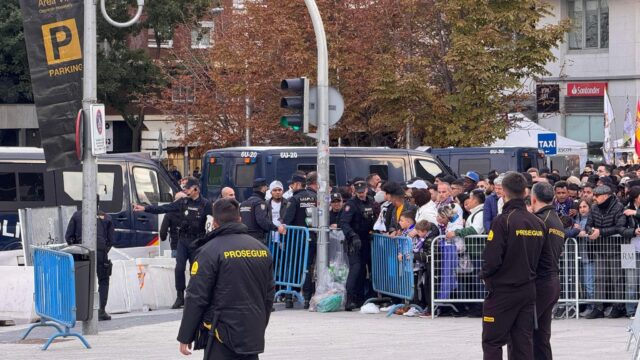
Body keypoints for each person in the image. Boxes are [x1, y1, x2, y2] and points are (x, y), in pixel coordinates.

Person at [177, 199, 274, 360]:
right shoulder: (262, 250)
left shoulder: (209, 251)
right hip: (251, 333)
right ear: (240, 219)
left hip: (220, 334)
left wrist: (186, 335)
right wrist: (258, 326)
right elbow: (269, 295)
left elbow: (196, 296)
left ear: (214, 223)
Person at [479, 172, 547, 360]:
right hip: (528, 289)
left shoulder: (503, 220)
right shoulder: (537, 222)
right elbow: (543, 258)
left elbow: (492, 258)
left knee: (492, 341)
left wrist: (485, 276)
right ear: (526, 192)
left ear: (503, 194)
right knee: (522, 342)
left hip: (503, 291)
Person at [134, 177, 212, 309]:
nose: (186, 191)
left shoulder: (206, 204)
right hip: (183, 240)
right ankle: (180, 296)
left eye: (187, 188)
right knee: (179, 268)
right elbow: (165, 208)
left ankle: (194, 296)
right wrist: (145, 208)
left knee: (196, 270)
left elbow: (212, 221)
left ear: (195, 189)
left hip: (197, 241)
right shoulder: (182, 202)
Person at [529, 182, 565, 360]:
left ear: (533, 198)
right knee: (541, 335)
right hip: (551, 280)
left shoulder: (539, 220)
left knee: (523, 332)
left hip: (540, 281)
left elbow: (529, 254)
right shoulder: (555, 219)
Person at [580, 185, 626, 319]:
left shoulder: (618, 207)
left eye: (597, 196)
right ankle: (598, 307)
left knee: (616, 279)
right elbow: (588, 224)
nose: (594, 198)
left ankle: (618, 307)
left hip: (615, 249)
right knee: (599, 279)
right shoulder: (594, 208)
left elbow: (619, 227)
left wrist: (600, 232)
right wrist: (591, 232)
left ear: (606, 196)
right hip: (599, 249)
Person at [65, 199, 114, 321]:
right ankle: (101, 311)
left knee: (81, 281)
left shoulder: (77, 215)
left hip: (82, 252)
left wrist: (77, 248)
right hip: (101, 252)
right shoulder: (106, 217)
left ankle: (80, 310)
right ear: (98, 202)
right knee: (103, 280)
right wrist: (103, 250)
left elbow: (68, 236)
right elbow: (111, 240)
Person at [283, 172, 318, 309]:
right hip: (311, 237)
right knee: (307, 268)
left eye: (292, 184)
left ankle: (289, 298)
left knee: (292, 266)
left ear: (297, 184)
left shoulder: (294, 199)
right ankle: (308, 299)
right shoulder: (315, 197)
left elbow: (287, 220)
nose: (291, 187)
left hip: (296, 239)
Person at [340, 180, 377, 311]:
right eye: (359, 192)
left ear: (367, 190)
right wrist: (352, 235)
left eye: (363, 191)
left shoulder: (371, 202)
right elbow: (344, 223)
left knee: (368, 270)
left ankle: (364, 298)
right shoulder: (351, 204)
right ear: (355, 191)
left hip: (368, 239)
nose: (361, 194)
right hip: (355, 241)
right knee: (356, 270)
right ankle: (350, 299)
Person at [240, 178, 286, 244]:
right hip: (256, 239)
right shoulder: (260, 203)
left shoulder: (243, 203)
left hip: (244, 238)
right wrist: (276, 228)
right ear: (263, 188)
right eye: (266, 187)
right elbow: (262, 221)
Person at [160, 192, 188, 258]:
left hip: (176, 246)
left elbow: (163, 231)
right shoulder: (191, 211)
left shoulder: (169, 213)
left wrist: (163, 238)